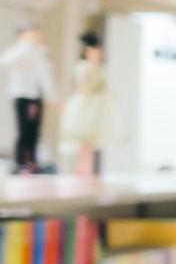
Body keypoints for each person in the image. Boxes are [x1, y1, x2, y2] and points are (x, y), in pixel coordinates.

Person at [0, 25, 55, 173]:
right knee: (23, 131)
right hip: (21, 95)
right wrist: (26, 47)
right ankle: (20, 163)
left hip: (35, 96)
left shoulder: (38, 53)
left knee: (34, 132)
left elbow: (44, 77)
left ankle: (32, 163)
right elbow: (4, 61)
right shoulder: (18, 50)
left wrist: (52, 97)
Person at [59, 31, 106, 175]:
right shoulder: (84, 66)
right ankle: (82, 169)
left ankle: (86, 168)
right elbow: (82, 86)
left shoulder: (98, 67)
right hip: (85, 105)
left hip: (95, 105)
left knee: (90, 140)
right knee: (83, 139)